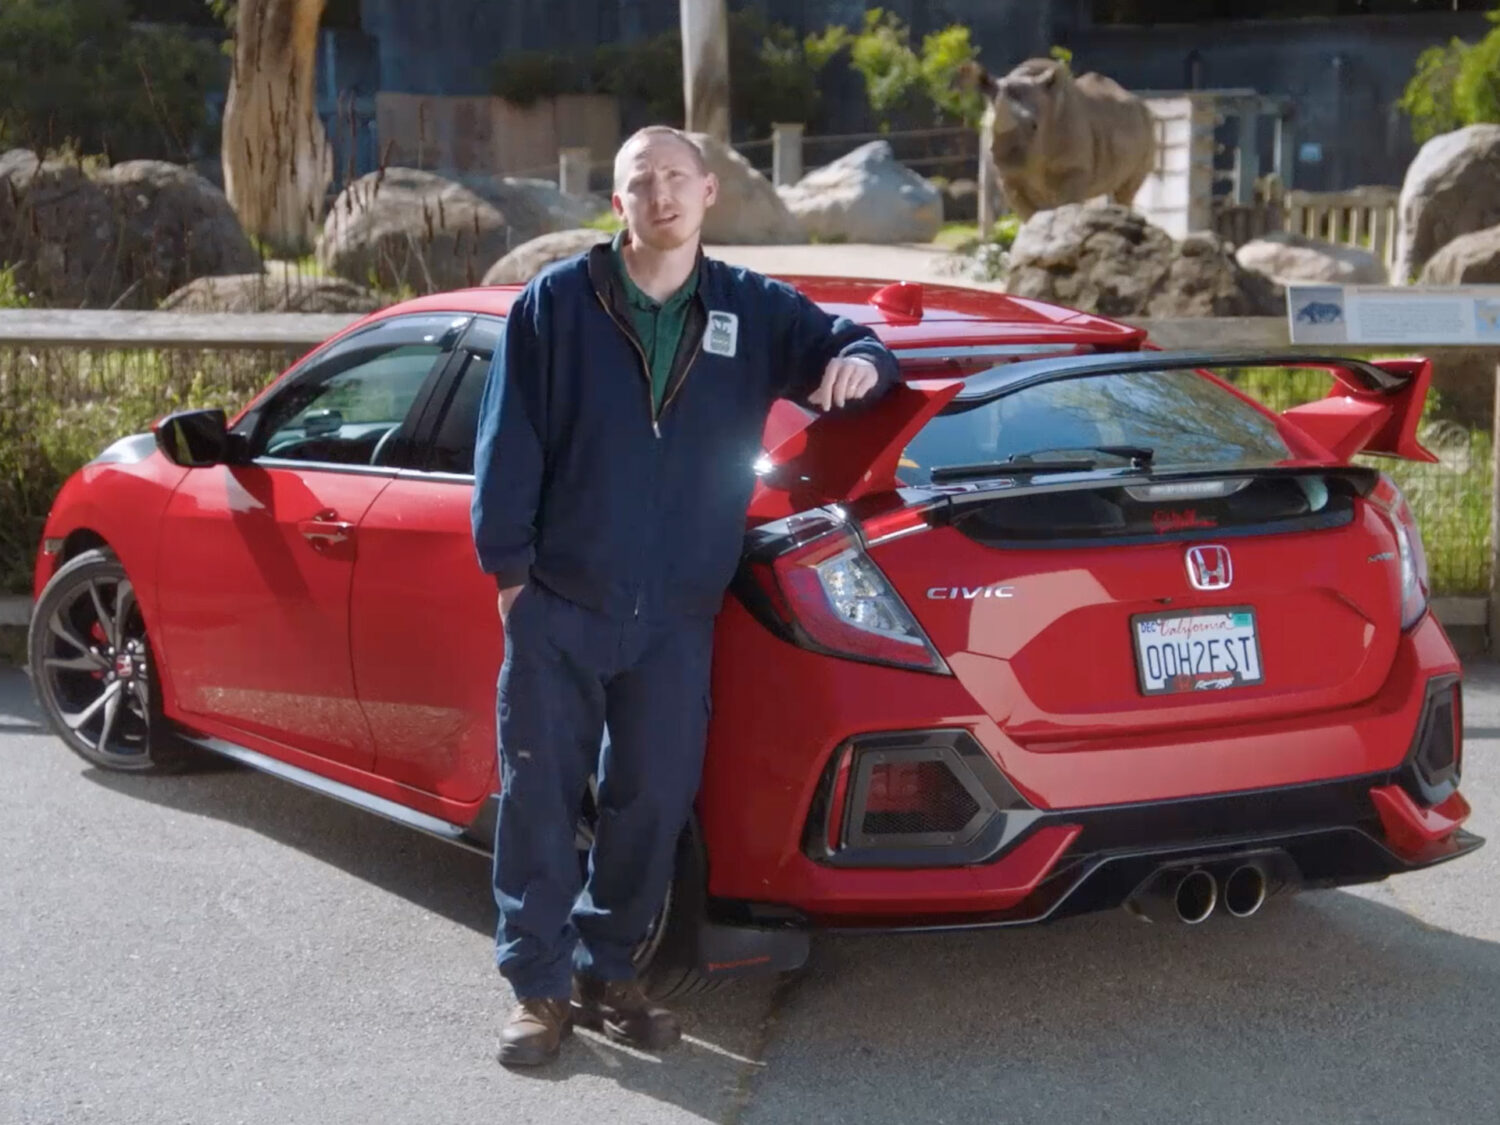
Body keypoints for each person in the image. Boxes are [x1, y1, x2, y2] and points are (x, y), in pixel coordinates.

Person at [470, 124, 900, 1068]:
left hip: (676, 616)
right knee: (540, 799)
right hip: (562, 601)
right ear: (617, 201)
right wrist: (511, 575)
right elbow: (508, 443)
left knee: (652, 801)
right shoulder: (557, 304)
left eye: (675, 178)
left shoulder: (753, 306)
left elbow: (854, 344)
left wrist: (865, 363)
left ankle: (608, 968)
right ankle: (537, 986)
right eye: (641, 182)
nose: (660, 195)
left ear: (708, 191)